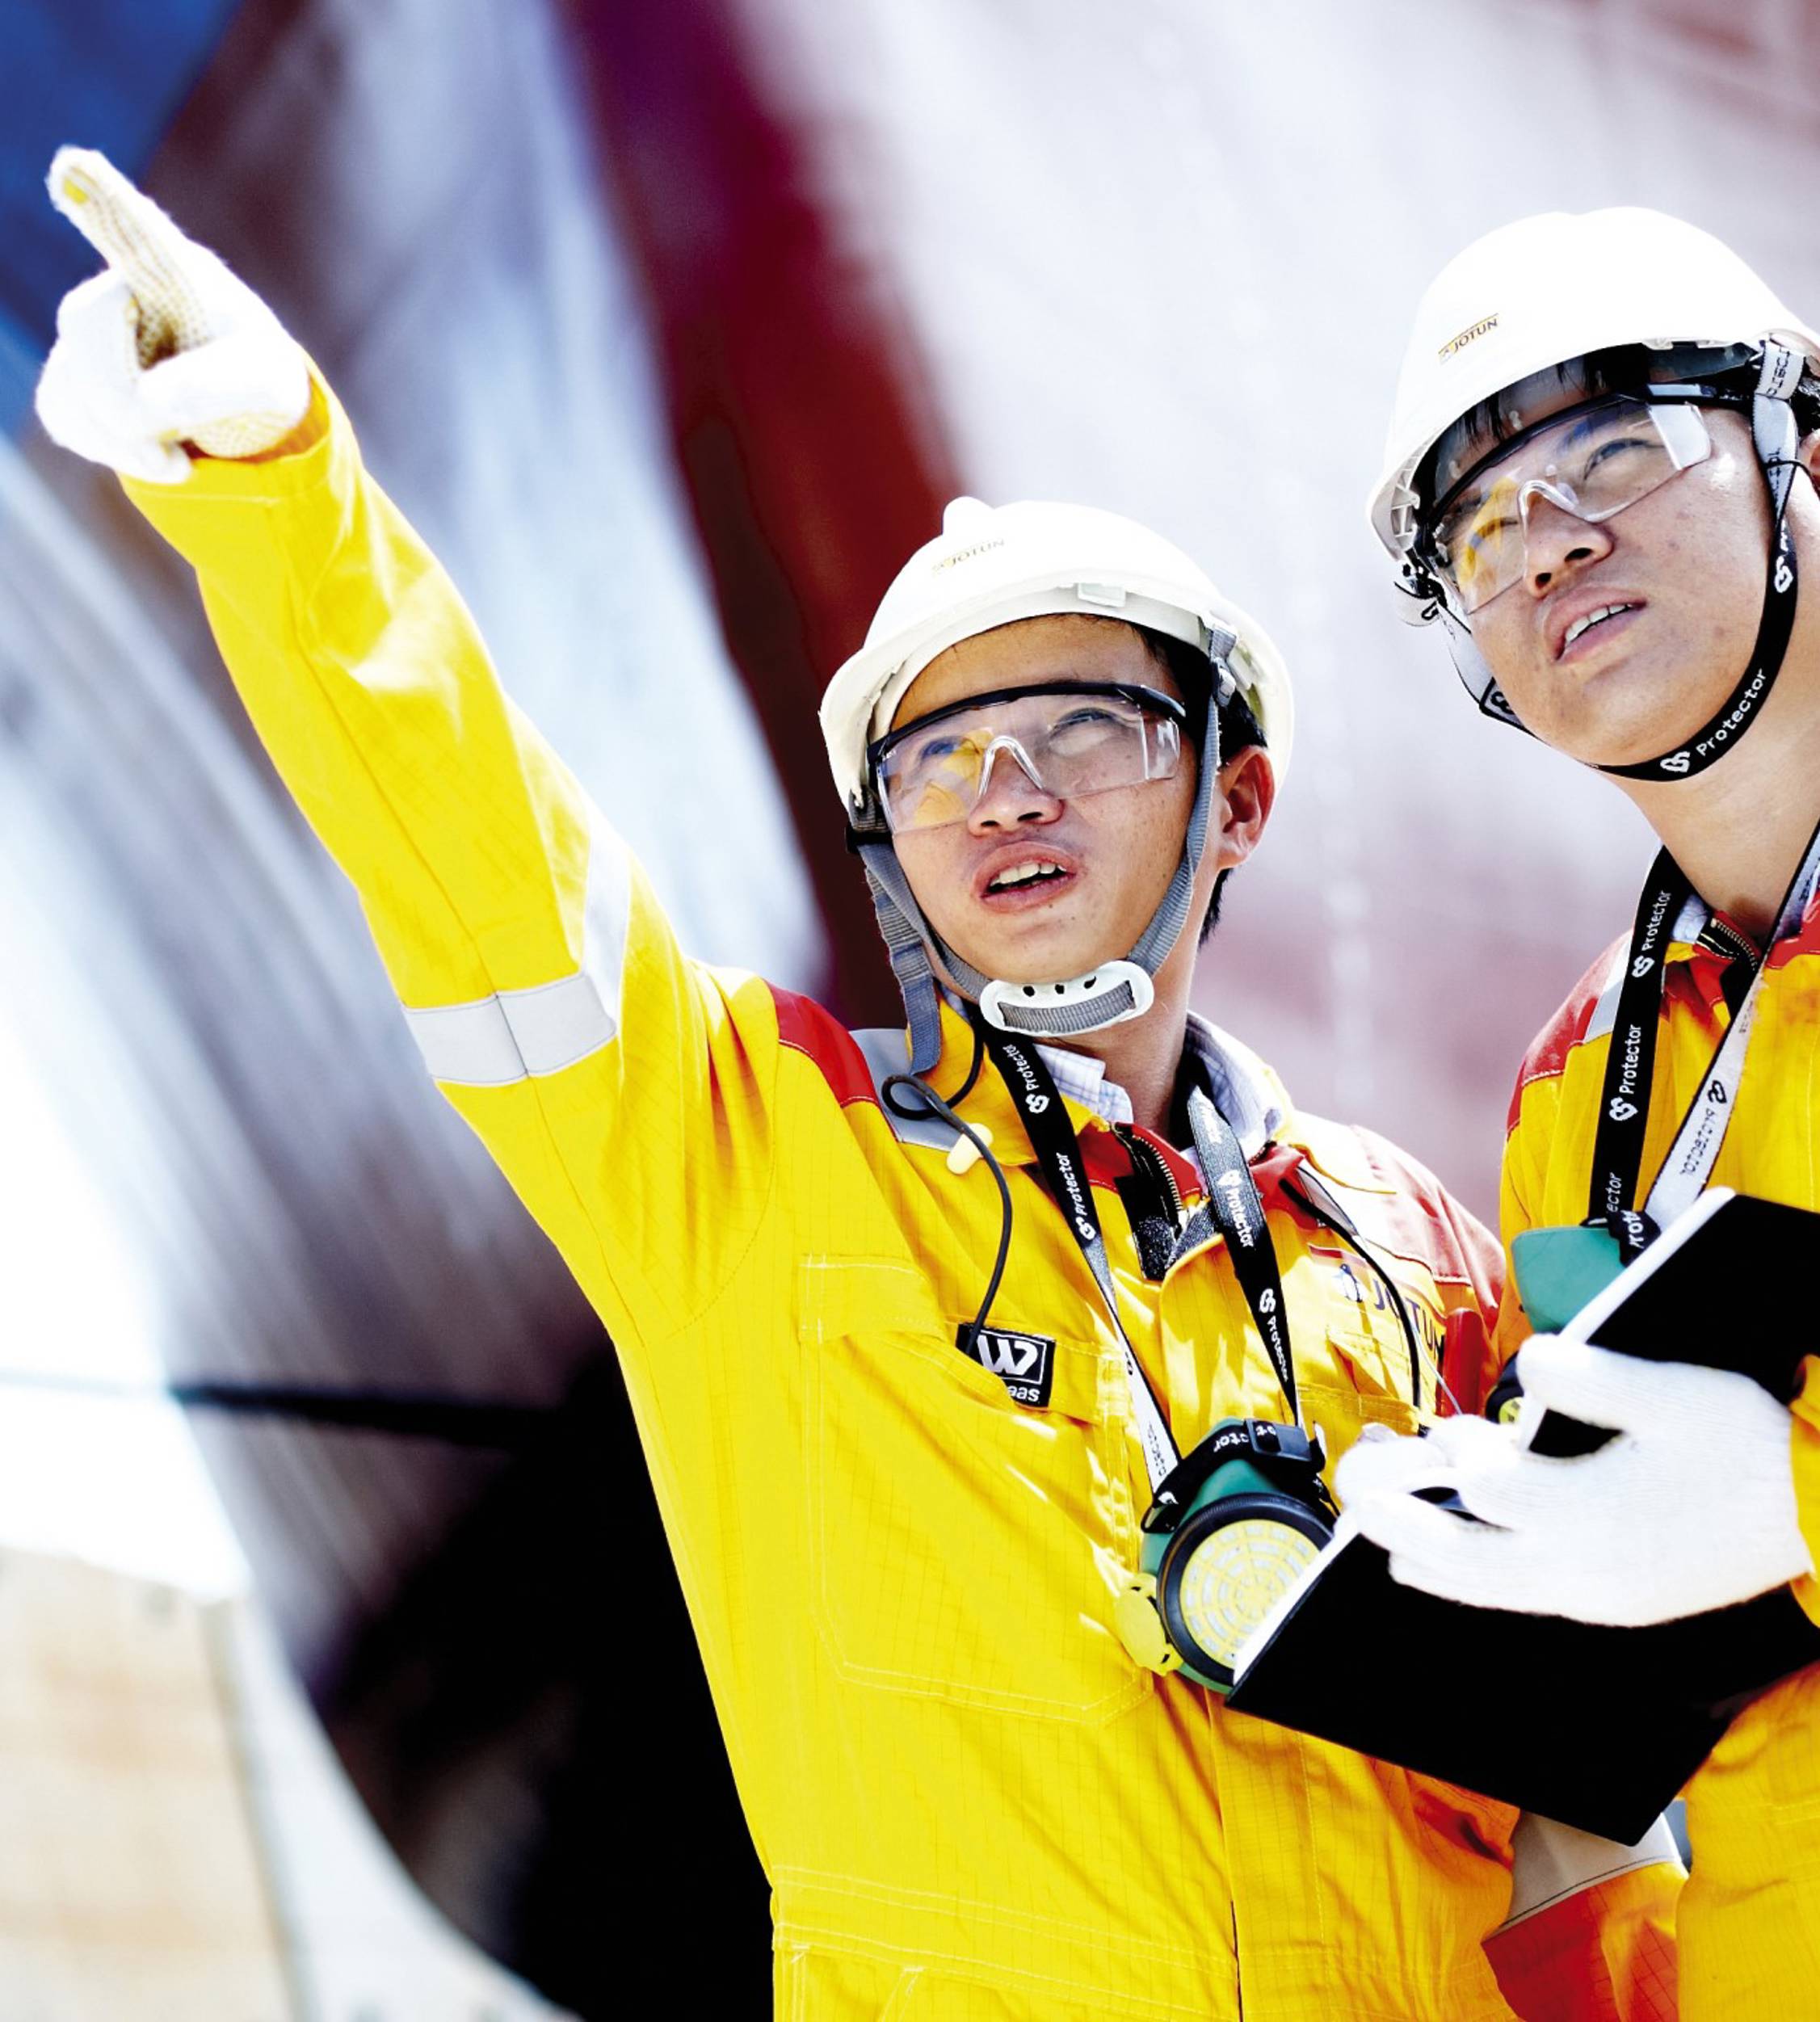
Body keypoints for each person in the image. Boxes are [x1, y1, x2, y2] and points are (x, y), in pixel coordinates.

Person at [36, 151, 1676, 2020]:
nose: (1006, 794)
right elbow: (487, 866)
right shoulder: (743, 1163)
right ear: (885, 845)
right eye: (942, 759)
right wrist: (283, 490)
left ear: (1234, 796)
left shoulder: (1412, 1255)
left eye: (1083, 727)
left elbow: (1575, 1769)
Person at [1343, 204, 1820, 2020]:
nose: (1541, 541)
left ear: (1794, 451)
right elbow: (1602, 1757)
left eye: (1612, 448)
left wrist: (1790, 1499)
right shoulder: (1580, 1100)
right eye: (1475, 529)